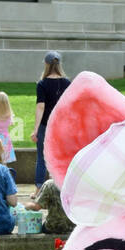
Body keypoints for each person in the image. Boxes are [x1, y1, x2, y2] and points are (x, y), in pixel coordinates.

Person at [32, 51, 71, 190]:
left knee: (42, 158)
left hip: (45, 125)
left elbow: (41, 106)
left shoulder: (42, 84)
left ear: (46, 65)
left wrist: (35, 129)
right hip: (61, 126)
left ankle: (39, 189)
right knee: (61, 157)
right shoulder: (67, 83)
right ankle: (62, 188)